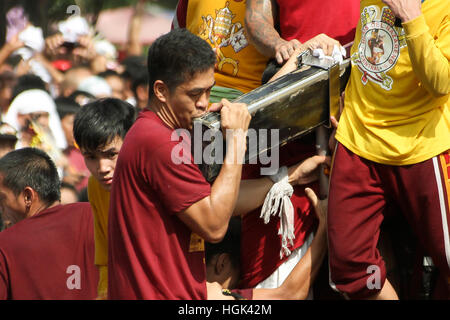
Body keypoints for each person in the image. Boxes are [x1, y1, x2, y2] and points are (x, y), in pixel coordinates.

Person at [107, 28, 328, 300]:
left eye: (209, 90)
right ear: (161, 91)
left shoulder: (162, 132)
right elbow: (214, 226)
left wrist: (289, 177)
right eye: (194, 94)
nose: (204, 103)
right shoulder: (160, 143)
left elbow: (217, 198)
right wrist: (236, 142)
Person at [328, 0, 450, 299]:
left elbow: (441, 83)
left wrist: (411, 17)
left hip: (422, 143)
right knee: (349, 267)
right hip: (359, 138)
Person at [0, 148, 98, 299]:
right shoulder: (94, 215)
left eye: (2, 199)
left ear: (28, 196)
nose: (1, 209)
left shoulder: (5, 244)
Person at [206, 187, 328, 300]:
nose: (239, 282)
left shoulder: (188, 289)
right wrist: (324, 226)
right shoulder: (210, 293)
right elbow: (289, 295)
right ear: (222, 263)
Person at [73, 98, 137, 300]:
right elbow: (107, 257)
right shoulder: (95, 186)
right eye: (91, 157)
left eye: (111, 154)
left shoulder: (150, 179)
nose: (102, 169)